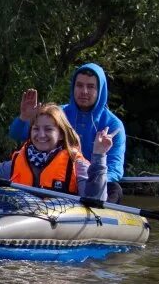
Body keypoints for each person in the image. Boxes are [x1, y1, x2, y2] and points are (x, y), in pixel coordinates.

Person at [8, 63, 126, 202]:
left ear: (100, 90)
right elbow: (17, 135)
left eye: (90, 87)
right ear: (73, 87)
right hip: (60, 180)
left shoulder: (113, 124)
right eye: (79, 85)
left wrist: (85, 178)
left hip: (89, 179)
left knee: (114, 189)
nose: (84, 91)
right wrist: (24, 118)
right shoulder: (57, 113)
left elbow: (115, 168)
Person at [0, 103, 112, 200]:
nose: (41, 135)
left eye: (48, 129)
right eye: (36, 129)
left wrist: (99, 155)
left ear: (61, 134)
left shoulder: (77, 164)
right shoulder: (16, 162)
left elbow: (96, 200)